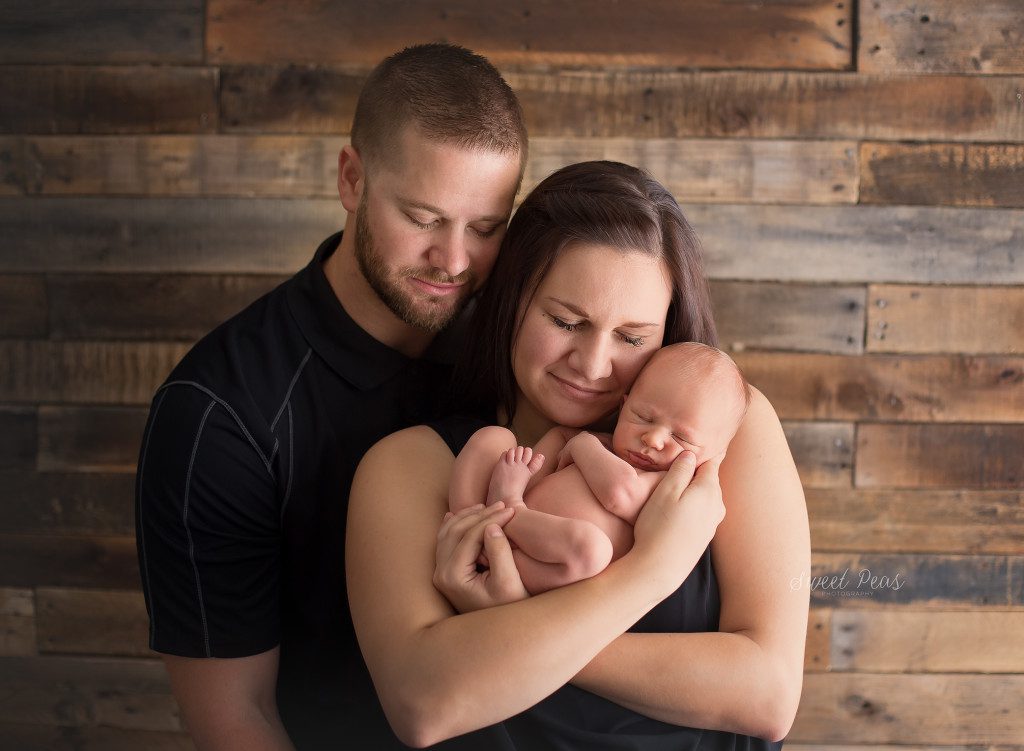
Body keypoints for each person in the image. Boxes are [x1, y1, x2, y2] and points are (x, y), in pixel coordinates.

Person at [134, 43, 526, 749]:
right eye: (423, 217)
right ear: (352, 178)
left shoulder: (524, 351)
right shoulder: (218, 414)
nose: (454, 261)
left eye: (486, 228)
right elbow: (238, 717)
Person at [347, 161, 810, 749]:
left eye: (631, 337)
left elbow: (768, 696)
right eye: (566, 322)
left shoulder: (726, 427)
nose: (592, 366)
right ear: (512, 301)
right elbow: (424, 706)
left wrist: (509, 622)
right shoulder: (412, 464)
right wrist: (652, 572)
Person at [449, 342, 751, 594]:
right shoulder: (600, 442)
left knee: (592, 550)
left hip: (545, 564)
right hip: (509, 523)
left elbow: (619, 494)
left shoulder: (668, 484)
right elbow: (546, 453)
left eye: (681, 437)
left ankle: (506, 517)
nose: (653, 438)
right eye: (643, 417)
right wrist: (527, 471)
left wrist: (582, 445)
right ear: (623, 406)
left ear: (715, 454)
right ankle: (470, 526)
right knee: (493, 438)